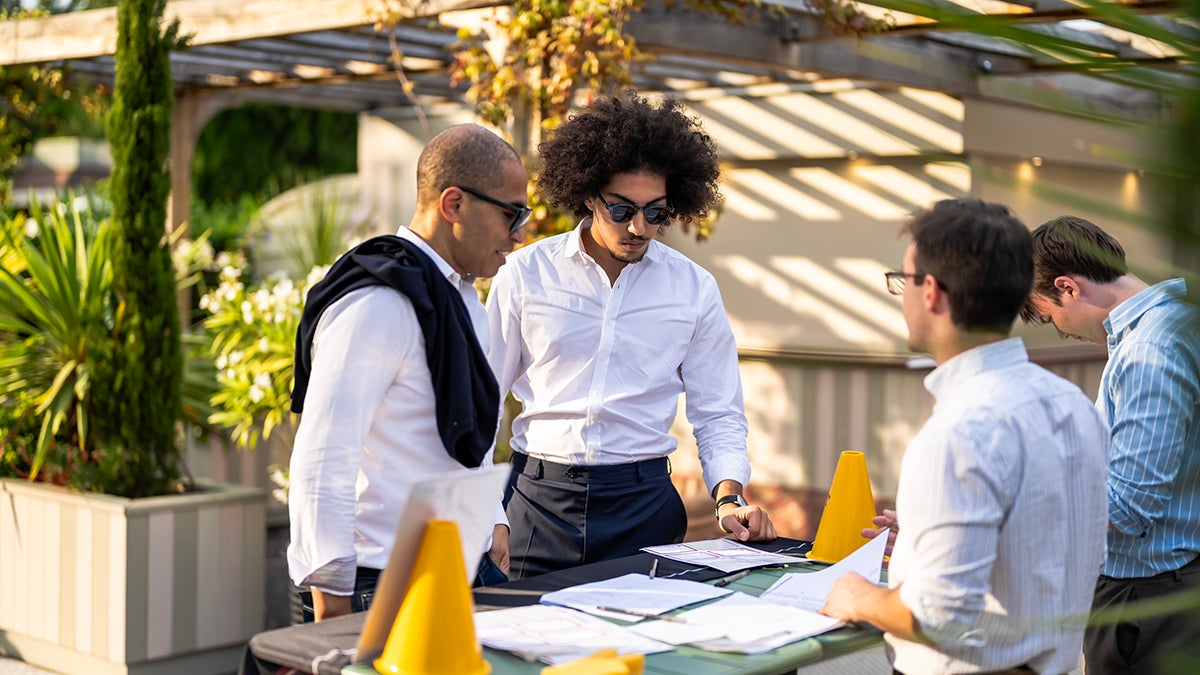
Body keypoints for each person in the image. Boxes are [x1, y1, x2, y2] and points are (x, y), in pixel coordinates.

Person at [485, 91, 776, 579]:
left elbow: (719, 412)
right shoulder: (523, 273)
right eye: (621, 210)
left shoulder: (694, 289)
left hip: (644, 508)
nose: (639, 227)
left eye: (656, 213)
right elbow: (482, 403)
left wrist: (729, 496)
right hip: (536, 505)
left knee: (641, 654)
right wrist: (489, 513)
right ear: (587, 196)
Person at [820, 199, 1110, 675]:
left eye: (903, 280)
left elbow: (936, 616)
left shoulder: (960, 431)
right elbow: (1055, 546)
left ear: (931, 291)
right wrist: (921, 538)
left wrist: (861, 597)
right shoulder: (1074, 404)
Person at [287, 124, 530, 621]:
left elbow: (462, 436)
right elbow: (323, 458)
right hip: (380, 586)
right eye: (512, 213)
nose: (520, 233)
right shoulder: (377, 303)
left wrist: (492, 521)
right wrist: (332, 606)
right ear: (454, 204)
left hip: (460, 569)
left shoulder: (462, 299)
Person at [1020, 215, 1200, 674]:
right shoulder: (1175, 325)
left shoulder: (1148, 350)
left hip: (1147, 597)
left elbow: (1129, 507)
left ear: (1068, 287)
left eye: (1052, 316)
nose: (1061, 332)